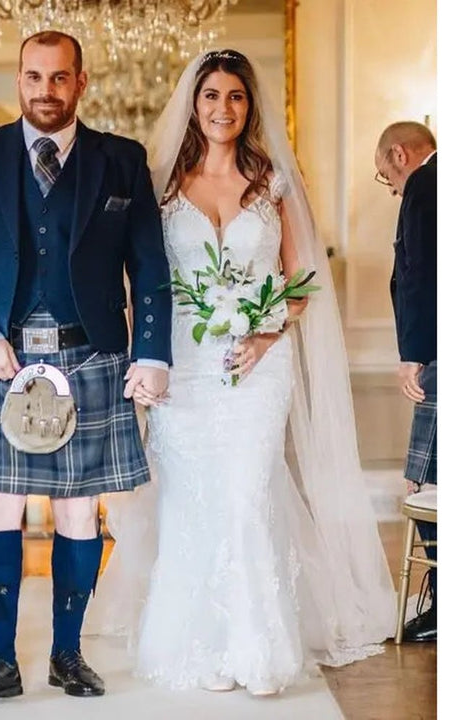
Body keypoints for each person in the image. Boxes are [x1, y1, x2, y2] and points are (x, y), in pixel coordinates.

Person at [88, 49, 397, 696]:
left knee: (248, 495)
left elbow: (303, 281)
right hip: (186, 367)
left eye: (234, 96)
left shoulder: (275, 184)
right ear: (194, 105)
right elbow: (141, 275)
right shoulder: (162, 184)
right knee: (189, 501)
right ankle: (195, 646)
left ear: (249, 106)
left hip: (259, 365)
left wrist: (265, 333)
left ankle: (258, 649)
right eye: (211, 97)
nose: (222, 108)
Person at [0, 31, 172, 702]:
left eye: (59, 77)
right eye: (33, 76)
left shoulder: (121, 160)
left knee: (76, 511)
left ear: (81, 82)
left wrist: (152, 351)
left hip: (90, 352)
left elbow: (149, 266)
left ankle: (69, 654)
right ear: (18, 80)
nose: (46, 89)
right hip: (1, 354)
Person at [375, 121, 437, 642]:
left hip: (441, 351)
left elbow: (418, 272)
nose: (391, 187)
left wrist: (412, 353)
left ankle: (442, 604)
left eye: (385, 177)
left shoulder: (424, 184)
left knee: (432, 478)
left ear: (400, 153)